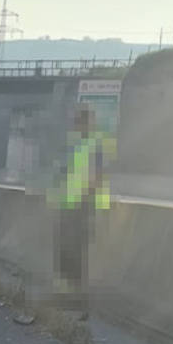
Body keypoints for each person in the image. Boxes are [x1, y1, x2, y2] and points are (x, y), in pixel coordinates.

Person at [50, 104, 111, 317]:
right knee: (64, 255)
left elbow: (96, 178)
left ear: (87, 123)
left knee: (76, 256)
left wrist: (89, 205)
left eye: (79, 121)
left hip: (81, 209)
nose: (77, 125)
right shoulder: (77, 145)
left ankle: (78, 302)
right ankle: (67, 299)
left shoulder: (93, 146)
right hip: (68, 207)